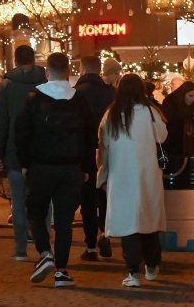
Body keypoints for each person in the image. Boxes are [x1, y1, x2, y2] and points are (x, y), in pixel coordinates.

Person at [16, 52, 97, 288]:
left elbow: (22, 133)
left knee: (36, 213)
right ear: (69, 72)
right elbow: (90, 137)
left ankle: (44, 253)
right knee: (64, 222)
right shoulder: (79, 100)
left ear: (47, 72)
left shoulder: (34, 98)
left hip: (41, 166)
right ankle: (62, 271)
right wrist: (86, 167)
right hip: (71, 168)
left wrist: (24, 163)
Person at [97, 74, 167, 287]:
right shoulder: (150, 112)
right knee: (149, 219)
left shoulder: (112, 114)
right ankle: (152, 265)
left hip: (121, 175)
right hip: (148, 174)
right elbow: (162, 136)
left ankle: (133, 271)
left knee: (129, 224)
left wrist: (103, 173)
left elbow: (104, 145)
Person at [0, 45, 46, 261]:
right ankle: (45, 247)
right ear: (33, 59)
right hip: (41, 151)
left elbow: (0, 121)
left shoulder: (7, 85)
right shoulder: (45, 81)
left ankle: (21, 248)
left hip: (14, 152)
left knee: (18, 200)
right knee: (42, 200)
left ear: (15, 61)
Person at [74, 55, 117, 261]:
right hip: (109, 152)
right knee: (106, 197)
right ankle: (105, 233)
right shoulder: (112, 93)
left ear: (82, 69)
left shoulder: (76, 95)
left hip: (86, 153)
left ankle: (91, 246)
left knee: (88, 200)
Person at [161, 80, 194, 156]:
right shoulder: (170, 102)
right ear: (183, 94)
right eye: (190, 96)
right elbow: (171, 118)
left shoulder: (191, 105)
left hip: (188, 146)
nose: (193, 99)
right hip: (172, 146)